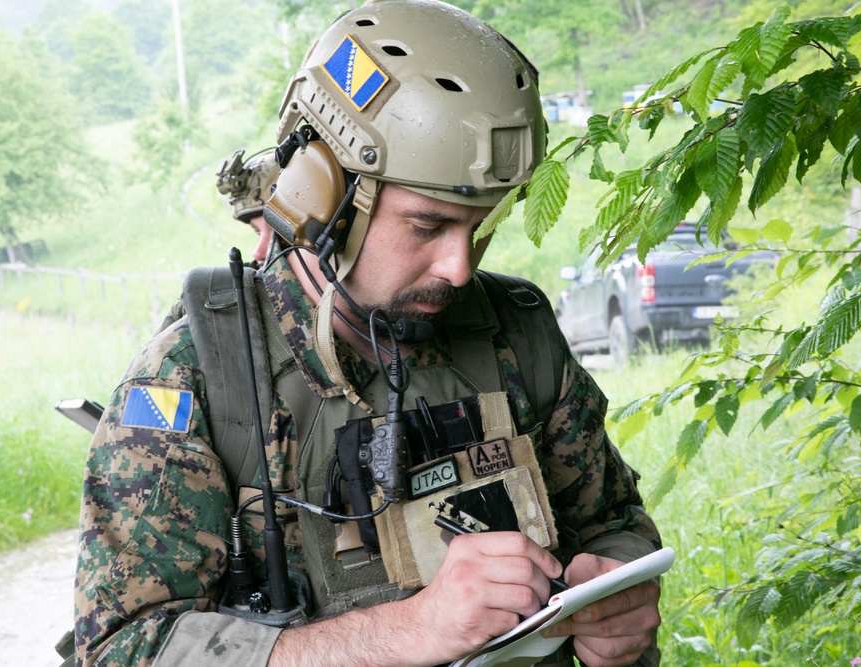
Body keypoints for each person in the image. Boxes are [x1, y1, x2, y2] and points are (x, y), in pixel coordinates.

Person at [72, 2, 663, 667]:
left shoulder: (516, 335)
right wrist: (407, 631)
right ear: (319, 193)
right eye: (427, 225)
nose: (459, 266)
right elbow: (128, 648)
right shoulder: (196, 381)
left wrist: (619, 591)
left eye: (480, 225)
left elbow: (614, 523)